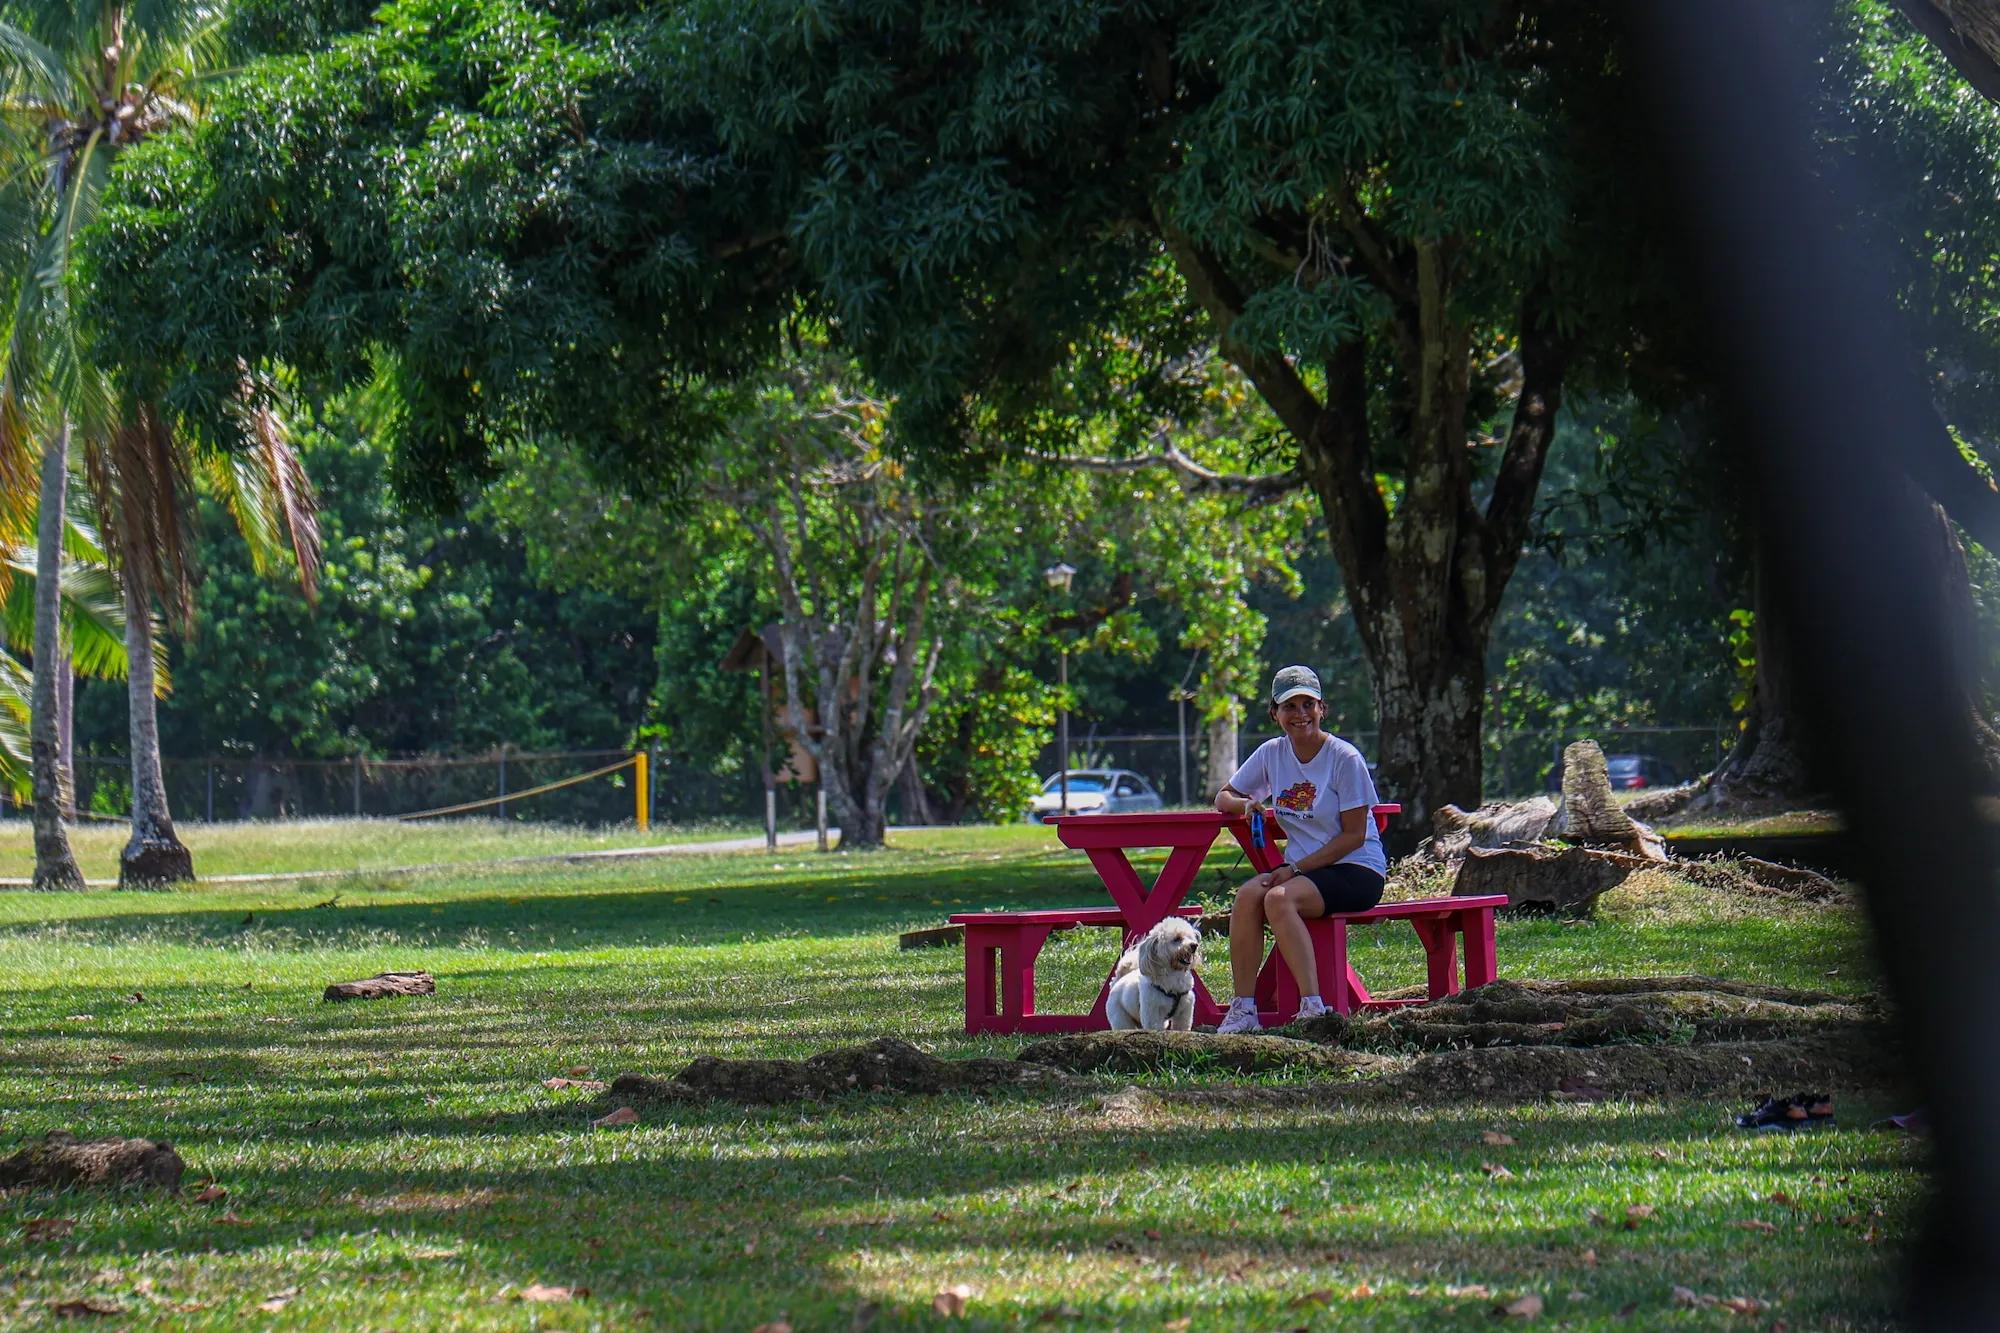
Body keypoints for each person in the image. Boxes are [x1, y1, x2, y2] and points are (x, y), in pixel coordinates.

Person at [1212, 664, 1387, 1033]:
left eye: (1308, 704)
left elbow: (1354, 835)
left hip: (1356, 868)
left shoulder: (1345, 758)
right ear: (1275, 713)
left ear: (1322, 708)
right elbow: (1222, 796)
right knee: (1247, 896)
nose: (1300, 714)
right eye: (1290, 706)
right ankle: (1244, 1011)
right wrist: (1244, 804)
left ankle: (1313, 1009)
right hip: (1304, 872)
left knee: (1278, 899)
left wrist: (1296, 869)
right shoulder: (1271, 754)